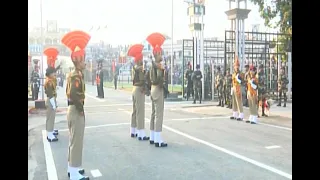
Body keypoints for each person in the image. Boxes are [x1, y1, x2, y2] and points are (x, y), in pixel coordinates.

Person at [62, 30, 90, 180]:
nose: (85, 62)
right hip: (75, 109)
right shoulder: (75, 76)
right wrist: (80, 109)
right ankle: (73, 173)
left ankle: (73, 167)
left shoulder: (77, 74)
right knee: (76, 141)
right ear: (78, 60)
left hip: (73, 109)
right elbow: (73, 94)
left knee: (75, 140)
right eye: (83, 59)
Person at [147, 32, 167, 147]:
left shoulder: (151, 65)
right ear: (157, 53)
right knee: (159, 114)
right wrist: (162, 70)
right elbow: (159, 78)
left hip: (152, 89)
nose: (162, 55)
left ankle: (153, 136)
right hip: (158, 89)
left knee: (153, 114)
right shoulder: (158, 65)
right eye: (160, 53)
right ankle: (158, 140)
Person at [128, 44, 149, 140]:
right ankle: (141, 132)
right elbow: (142, 80)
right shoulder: (140, 69)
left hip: (134, 89)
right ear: (139, 60)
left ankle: (133, 130)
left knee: (135, 111)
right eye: (141, 58)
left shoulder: (134, 68)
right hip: (139, 89)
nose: (143, 60)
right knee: (140, 111)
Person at [43, 47, 60, 142]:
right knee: (50, 117)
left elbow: (53, 71)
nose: (55, 74)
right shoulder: (49, 82)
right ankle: (49, 134)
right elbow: (50, 95)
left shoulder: (50, 79)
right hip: (50, 100)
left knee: (52, 117)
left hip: (51, 100)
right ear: (49, 74)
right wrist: (54, 104)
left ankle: (51, 130)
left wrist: (57, 67)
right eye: (53, 73)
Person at [230, 56, 244, 121]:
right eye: (235, 66)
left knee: (239, 101)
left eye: (237, 66)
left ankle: (241, 113)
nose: (236, 67)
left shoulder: (240, 73)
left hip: (238, 87)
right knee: (234, 101)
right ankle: (234, 113)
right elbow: (232, 81)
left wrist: (237, 78)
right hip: (234, 87)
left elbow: (241, 81)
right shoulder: (233, 74)